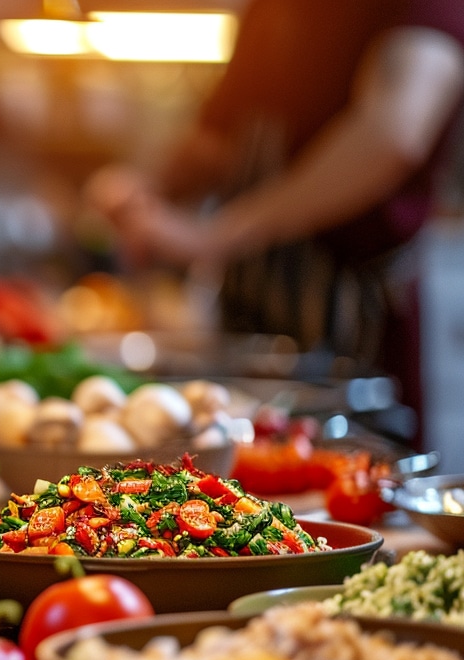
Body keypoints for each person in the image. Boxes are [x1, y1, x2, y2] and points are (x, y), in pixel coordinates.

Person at [86, 0, 464, 420]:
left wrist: (213, 235)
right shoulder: (274, 8)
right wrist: (146, 190)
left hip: (348, 340)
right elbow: (218, 139)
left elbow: (393, 134)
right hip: (247, 322)